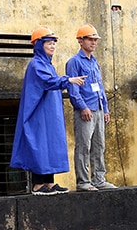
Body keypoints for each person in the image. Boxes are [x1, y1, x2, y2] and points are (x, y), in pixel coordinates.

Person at [10, 26, 86, 195]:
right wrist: (69, 80)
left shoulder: (48, 65)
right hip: (38, 114)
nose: (52, 46)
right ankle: (38, 185)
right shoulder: (36, 65)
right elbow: (48, 82)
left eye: (54, 43)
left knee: (50, 145)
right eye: (49, 43)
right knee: (39, 145)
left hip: (49, 115)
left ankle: (49, 183)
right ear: (39, 45)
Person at [66, 24, 117, 191]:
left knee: (99, 145)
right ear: (81, 41)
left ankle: (99, 179)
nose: (94, 42)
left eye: (95, 39)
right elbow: (73, 90)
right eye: (90, 39)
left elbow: (100, 87)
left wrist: (106, 109)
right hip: (86, 111)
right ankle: (83, 182)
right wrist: (82, 107)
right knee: (83, 146)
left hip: (99, 109)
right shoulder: (74, 62)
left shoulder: (95, 62)